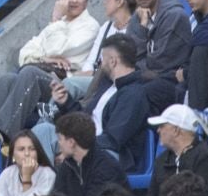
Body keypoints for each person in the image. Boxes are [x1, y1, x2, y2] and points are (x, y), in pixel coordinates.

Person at [0, 0, 103, 138]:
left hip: (63, 84)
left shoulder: (90, 26)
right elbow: (25, 53)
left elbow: (59, 49)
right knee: (7, 79)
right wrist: (47, 59)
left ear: (87, 1)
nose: (74, 0)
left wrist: (55, 21)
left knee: (30, 73)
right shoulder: (59, 23)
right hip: (46, 75)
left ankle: (2, 133)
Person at [49, 34, 149, 164]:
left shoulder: (134, 94)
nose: (100, 64)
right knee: (44, 130)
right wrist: (66, 102)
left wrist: (75, 148)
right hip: (85, 142)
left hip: (109, 153)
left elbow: (112, 140)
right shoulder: (107, 84)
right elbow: (85, 120)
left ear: (113, 61)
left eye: (102, 59)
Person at [54, 114, 127, 196]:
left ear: (71, 142)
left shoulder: (107, 166)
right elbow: (57, 194)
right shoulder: (68, 163)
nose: (59, 143)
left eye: (60, 139)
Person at [134, 0, 195, 83]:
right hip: (143, 77)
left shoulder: (175, 16)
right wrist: (142, 26)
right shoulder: (139, 13)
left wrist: (134, 66)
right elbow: (127, 55)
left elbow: (159, 64)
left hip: (167, 82)